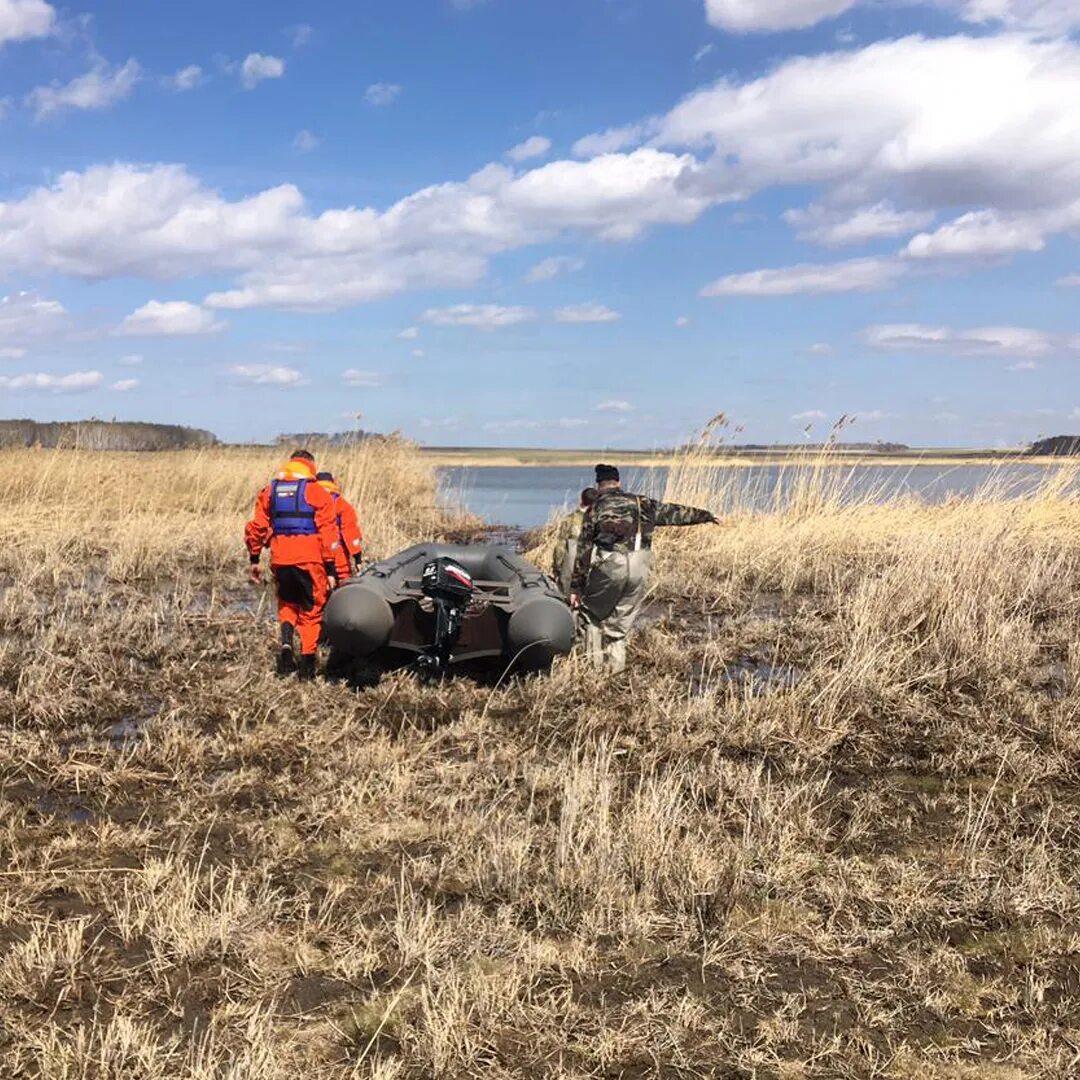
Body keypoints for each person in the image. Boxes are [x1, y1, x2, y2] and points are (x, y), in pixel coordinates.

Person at [569, 463, 720, 674]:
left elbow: (584, 551)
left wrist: (576, 588)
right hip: (640, 564)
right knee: (619, 625)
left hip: (611, 564)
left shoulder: (596, 508)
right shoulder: (643, 503)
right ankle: (614, 670)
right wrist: (706, 515)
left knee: (591, 616)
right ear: (618, 482)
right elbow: (675, 513)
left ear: (599, 484)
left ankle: (591, 671)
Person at [245, 449, 341, 680]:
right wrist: (331, 569)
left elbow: (255, 527)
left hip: (280, 559)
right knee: (311, 610)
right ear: (311, 467)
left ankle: (287, 643)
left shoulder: (270, 491)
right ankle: (307, 666)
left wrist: (254, 558)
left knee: (287, 603)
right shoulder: (317, 492)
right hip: (310, 560)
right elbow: (329, 534)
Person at [315, 470, 364, 580]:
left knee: (319, 584)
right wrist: (358, 558)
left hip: (316, 553)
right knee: (343, 582)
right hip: (338, 552)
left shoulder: (310, 501)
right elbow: (351, 533)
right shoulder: (342, 504)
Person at [551, 487, 598, 599]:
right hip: (591, 565)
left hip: (570, 565)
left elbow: (560, 546)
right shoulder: (598, 520)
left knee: (564, 597)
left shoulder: (570, 519)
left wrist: (557, 567)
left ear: (581, 500)